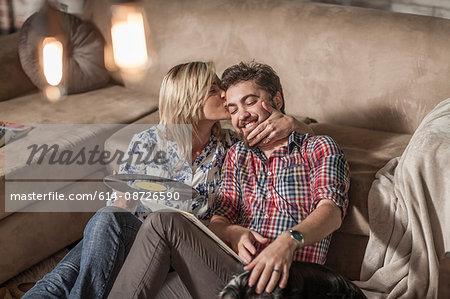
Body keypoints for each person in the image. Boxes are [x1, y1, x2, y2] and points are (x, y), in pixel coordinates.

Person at [23, 62, 311, 299]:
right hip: (130, 236)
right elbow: (121, 204)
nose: (225, 95)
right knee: (83, 250)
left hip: (176, 246)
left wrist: (291, 121)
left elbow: (287, 136)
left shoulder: (231, 147)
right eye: (214, 90)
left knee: (76, 264)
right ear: (190, 100)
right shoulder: (148, 142)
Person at [107, 61, 350, 299]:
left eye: (251, 101)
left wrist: (289, 241)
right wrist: (232, 232)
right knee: (144, 278)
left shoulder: (317, 148)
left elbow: (331, 210)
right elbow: (219, 219)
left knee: (165, 222)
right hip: (232, 274)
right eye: (232, 109)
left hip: (285, 282)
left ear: (277, 101)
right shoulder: (236, 154)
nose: (242, 114)